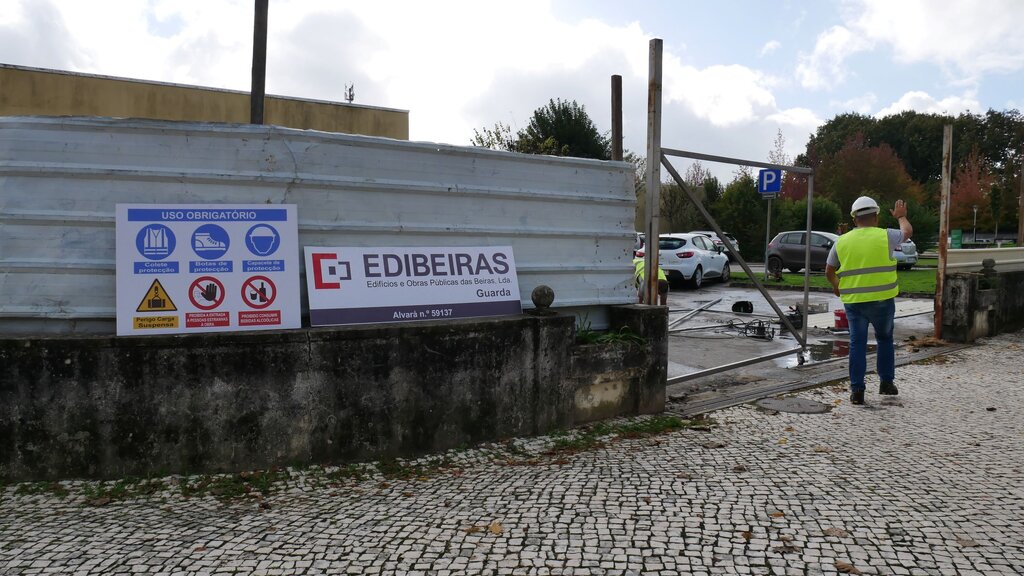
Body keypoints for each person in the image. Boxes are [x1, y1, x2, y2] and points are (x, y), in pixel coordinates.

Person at [825, 196, 913, 405]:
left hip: (854, 302)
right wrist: (901, 217)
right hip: (882, 301)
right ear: (876, 216)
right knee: (884, 340)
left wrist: (836, 286)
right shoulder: (886, 236)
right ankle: (886, 383)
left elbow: (829, 270)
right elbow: (907, 232)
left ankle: (857, 391)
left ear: (855, 219)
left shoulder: (842, 241)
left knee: (857, 343)